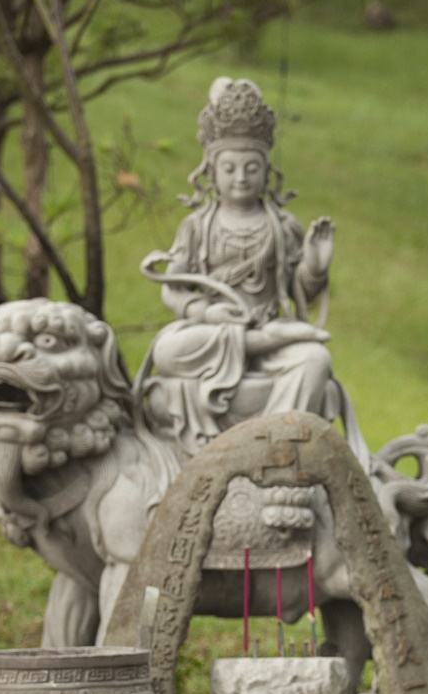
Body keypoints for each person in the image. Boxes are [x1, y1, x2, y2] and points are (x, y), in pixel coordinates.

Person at [137, 76, 341, 460]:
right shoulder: (197, 226)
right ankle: (261, 342)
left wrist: (315, 265)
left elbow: (297, 291)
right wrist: (205, 312)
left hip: (269, 326)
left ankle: (276, 447)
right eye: (229, 168)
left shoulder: (282, 226)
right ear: (211, 172)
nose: (241, 178)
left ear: (267, 172)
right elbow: (173, 288)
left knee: (316, 360)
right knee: (167, 350)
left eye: (251, 168)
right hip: (214, 331)